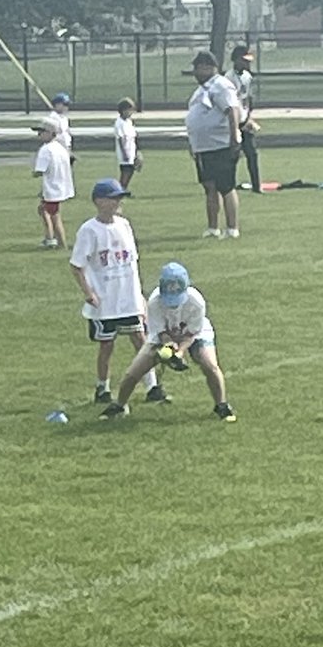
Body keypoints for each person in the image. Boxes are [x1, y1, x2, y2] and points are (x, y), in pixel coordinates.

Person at [69, 178, 167, 406]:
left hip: (128, 297)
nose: (118, 202)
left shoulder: (124, 225)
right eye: (113, 198)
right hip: (105, 300)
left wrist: (139, 295)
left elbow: (132, 263)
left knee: (140, 340)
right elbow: (77, 265)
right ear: (99, 201)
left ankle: (152, 386)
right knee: (107, 345)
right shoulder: (89, 230)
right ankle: (102, 387)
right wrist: (88, 293)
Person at [100, 261, 236, 423]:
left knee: (210, 365)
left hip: (196, 334)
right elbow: (160, 332)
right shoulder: (154, 302)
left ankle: (221, 405)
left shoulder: (196, 302)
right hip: (164, 336)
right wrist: (169, 345)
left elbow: (192, 333)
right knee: (133, 372)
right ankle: (120, 405)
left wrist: (179, 352)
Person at [185, 50, 243, 238]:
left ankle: (232, 228)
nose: (196, 72)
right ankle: (213, 227)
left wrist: (234, 136)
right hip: (204, 147)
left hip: (221, 145)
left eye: (199, 68)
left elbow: (232, 110)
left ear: (210, 68)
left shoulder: (221, 86)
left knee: (226, 186)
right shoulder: (201, 90)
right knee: (209, 186)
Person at [33, 113, 74, 248]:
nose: (39, 135)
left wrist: (35, 173)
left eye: (41, 132)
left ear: (50, 133)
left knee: (52, 215)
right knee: (46, 210)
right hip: (61, 186)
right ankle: (52, 238)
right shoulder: (60, 148)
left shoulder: (46, 150)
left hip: (52, 189)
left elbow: (40, 170)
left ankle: (57, 241)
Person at [225, 44, 261, 193]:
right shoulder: (228, 79)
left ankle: (257, 186)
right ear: (236, 60)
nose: (247, 64)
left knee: (252, 154)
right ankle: (229, 186)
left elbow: (248, 98)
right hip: (233, 122)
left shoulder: (247, 77)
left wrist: (249, 117)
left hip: (245, 121)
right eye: (244, 60)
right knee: (232, 156)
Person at [114, 97, 142, 191]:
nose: (131, 113)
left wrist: (137, 151)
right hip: (125, 151)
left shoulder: (129, 122)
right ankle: (120, 189)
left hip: (131, 149)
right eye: (129, 110)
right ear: (123, 110)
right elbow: (121, 138)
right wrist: (124, 153)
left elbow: (133, 137)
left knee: (131, 170)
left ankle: (124, 188)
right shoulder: (119, 123)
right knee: (126, 171)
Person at [51, 92, 73, 158]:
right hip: (57, 149)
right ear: (57, 105)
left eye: (68, 104)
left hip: (66, 147)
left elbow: (67, 133)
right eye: (65, 104)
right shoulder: (53, 118)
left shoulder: (64, 118)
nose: (67, 107)